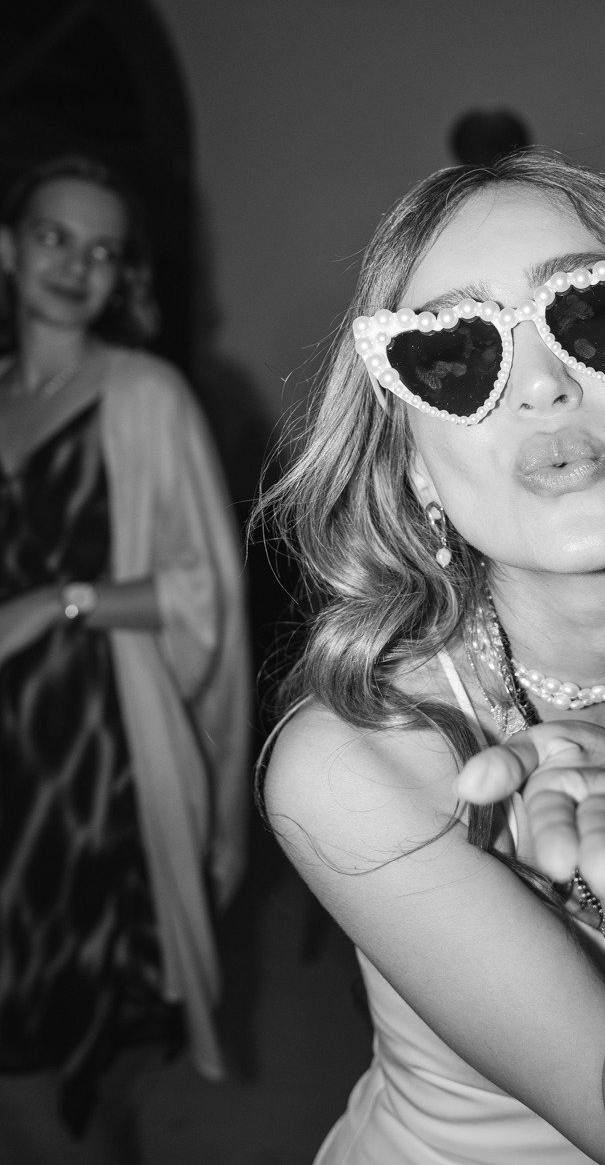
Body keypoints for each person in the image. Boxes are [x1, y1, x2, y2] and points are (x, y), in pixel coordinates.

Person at [259, 149, 605, 1165]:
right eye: (455, 355)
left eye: (595, 314)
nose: (544, 389)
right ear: (414, 468)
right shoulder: (352, 766)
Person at [0, 154, 251, 1161]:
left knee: (58, 1032)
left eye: (102, 251)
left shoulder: (146, 394)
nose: (77, 265)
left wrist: (60, 604)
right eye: (56, 237)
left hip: (90, 757)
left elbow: (208, 592)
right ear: (8, 248)